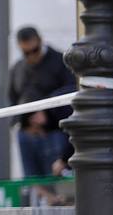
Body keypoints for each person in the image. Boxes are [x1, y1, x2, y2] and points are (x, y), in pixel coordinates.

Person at [8, 25, 77, 180]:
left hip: (56, 130)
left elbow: (71, 94)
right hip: (27, 132)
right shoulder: (17, 69)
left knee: (57, 175)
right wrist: (19, 123)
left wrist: (46, 114)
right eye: (26, 53)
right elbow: (13, 99)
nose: (32, 56)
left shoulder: (61, 62)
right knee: (32, 178)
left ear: (40, 41)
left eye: (35, 50)